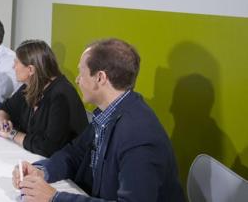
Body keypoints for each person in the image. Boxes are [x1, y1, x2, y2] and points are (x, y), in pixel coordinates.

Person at [12, 39, 185, 202]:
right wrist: (42, 171)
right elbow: (74, 153)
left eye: (81, 72)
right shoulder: (109, 113)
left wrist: (55, 198)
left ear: (100, 78)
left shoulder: (139, 134)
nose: (78, 79)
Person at [0, 40, 88, 157]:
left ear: (31, 70)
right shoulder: (30, 86)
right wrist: (3, 122)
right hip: (32, 157)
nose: (13, 66)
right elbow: (2, 108)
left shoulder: (61, 95)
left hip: (61, 169)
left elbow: (49, 148)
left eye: (16, 62)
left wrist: (12, 134)